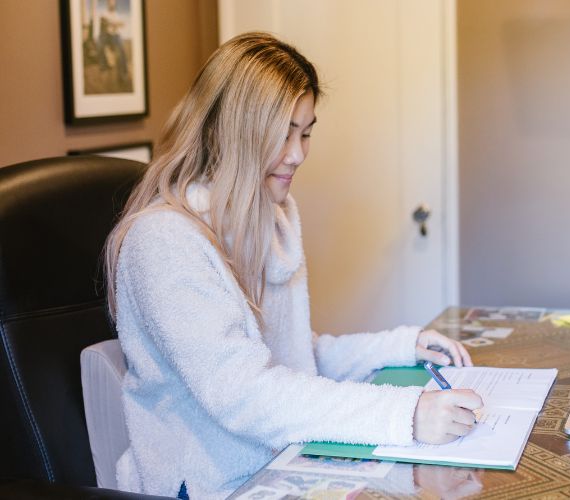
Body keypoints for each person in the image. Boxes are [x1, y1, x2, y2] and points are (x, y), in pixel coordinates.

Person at [103, 32, 483, 499]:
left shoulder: (270, 218)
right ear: (235, 129)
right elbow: (245, 393)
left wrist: (403, 345)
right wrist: (408, 414)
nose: (299, 154)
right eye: (283, 133)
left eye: (305, 133)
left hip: (285, 461)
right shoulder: (163, 241)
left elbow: (297, 358)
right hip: (208, 485)